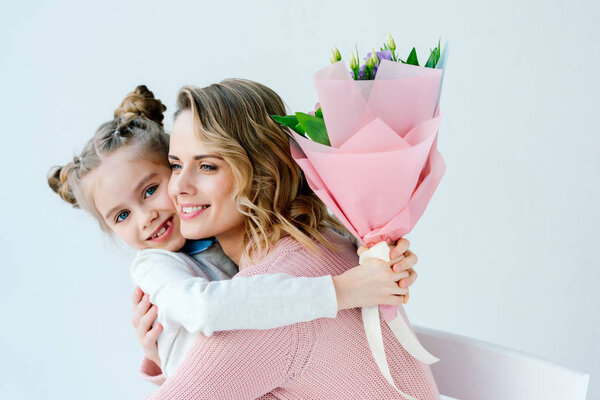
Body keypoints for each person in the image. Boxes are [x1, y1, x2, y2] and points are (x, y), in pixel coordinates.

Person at [47, 86, 419, 381]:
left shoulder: (243, 245)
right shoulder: (155, 266)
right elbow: (208, 310)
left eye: (150, 190)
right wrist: (344, 290)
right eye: (122, 215)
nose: (146, 218)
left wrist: (378, 254)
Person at [136, 79, 439, 399]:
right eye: (175, 165)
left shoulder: (273, 300)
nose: (179, 186)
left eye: (207, 166)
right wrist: (164, 352)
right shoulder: (328, 240)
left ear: (261, 172)